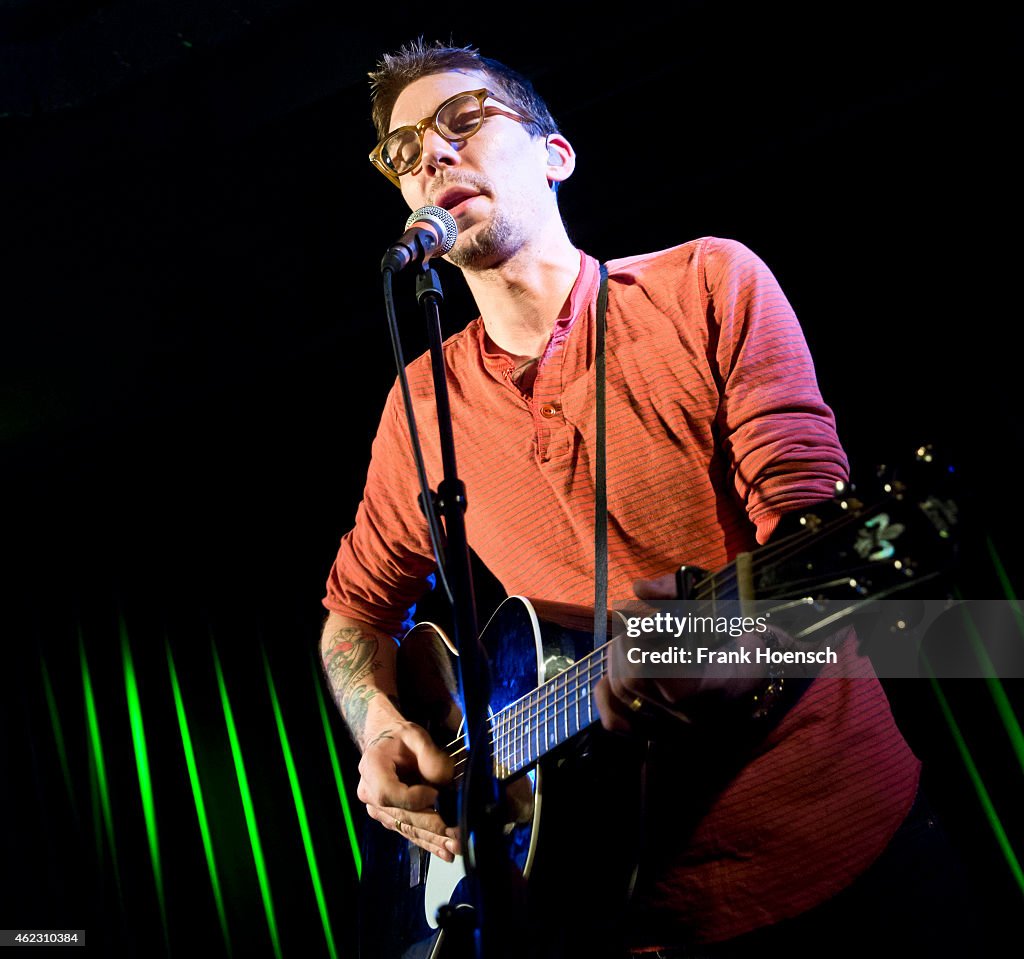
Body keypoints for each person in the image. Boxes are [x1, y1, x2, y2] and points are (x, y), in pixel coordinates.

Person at [319, 38, 974, 959]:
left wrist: (709, 648)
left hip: (845, 860)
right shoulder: (418, 403)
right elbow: (350, 618)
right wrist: (380, 727)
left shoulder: (709, 282)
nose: (433, 153)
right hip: (616, 916)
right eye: (404, 150)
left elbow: (811, 540)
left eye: (464, 121)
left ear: (556, 155)